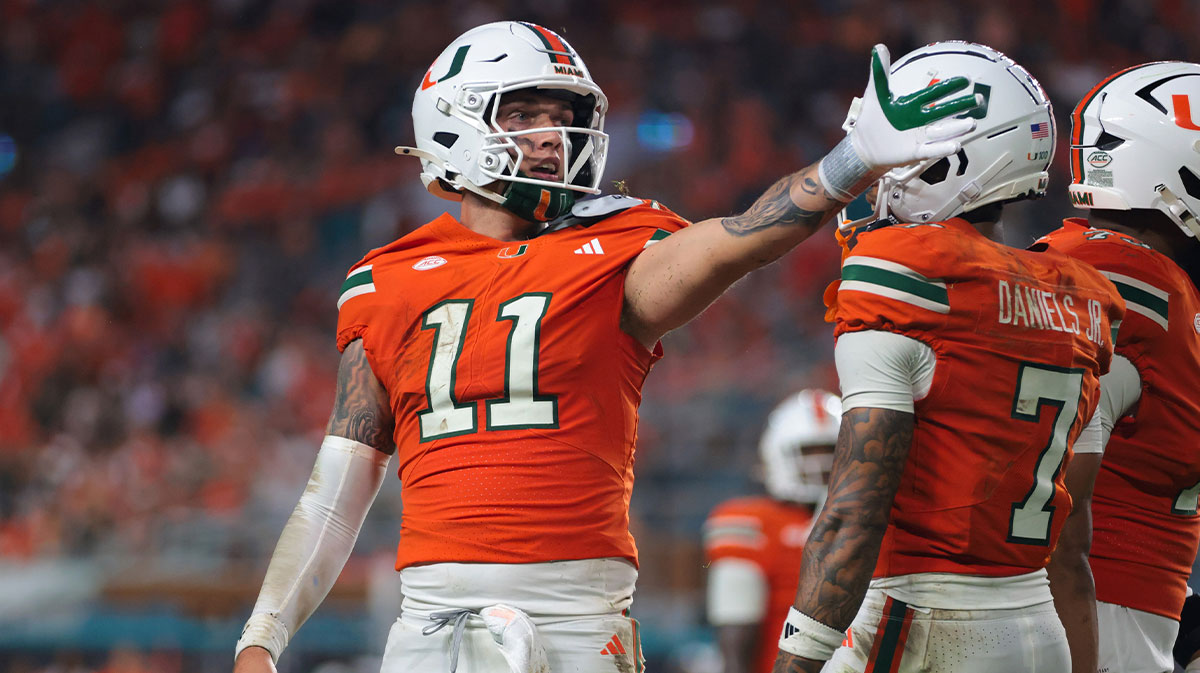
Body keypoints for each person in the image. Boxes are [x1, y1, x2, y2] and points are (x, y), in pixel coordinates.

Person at [230, 21, 984, 673]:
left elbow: (739, 240)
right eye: (523, 113)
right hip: (431, 627)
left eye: (561, 116)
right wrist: (263, 636)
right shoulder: (386, 278)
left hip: (578, 624)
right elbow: (337, 489)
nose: (550, 136)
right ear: (453, 122)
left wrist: (848, 163)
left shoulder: (617, 243)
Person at [770, 42, 1125, 673]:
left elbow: (853, 514)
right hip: (1038, 621)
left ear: (952, 161)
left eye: (899, 150)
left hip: (925, 617)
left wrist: (797, 660)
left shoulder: (907, 277)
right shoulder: (1084, 299)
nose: (878, 171)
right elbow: (1073, 546)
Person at [1033, 61, 1200, 673]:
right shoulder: (1136, 286)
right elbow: (1049, 501)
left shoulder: (1077, 261)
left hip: (1120, 610)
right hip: (1086, 618)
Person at [703, 390, 841, 673]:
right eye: (809, 452)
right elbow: (736, 639)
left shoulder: (877, 520)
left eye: (830, 451)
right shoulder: (751, 523)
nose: (821, 464)